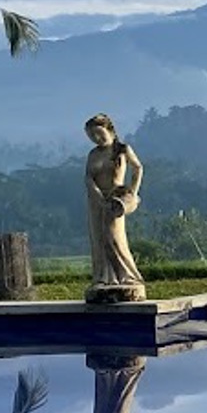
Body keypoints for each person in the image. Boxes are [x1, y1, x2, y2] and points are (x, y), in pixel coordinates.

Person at [84, 113, 145, 302]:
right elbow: (88, 177)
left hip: (115, 200)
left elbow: (138, 168)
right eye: (91, 135)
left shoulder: (121, 149)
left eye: (99, 133)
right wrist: (97, 196)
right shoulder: (93, 154)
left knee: (114, 238)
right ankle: (103, 277)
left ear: (109, 130)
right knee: (99, 239)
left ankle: (127, 276)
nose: (96, 138)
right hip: (96, 201)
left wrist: (132, 192)